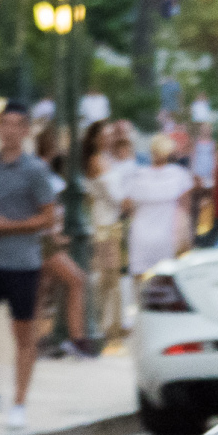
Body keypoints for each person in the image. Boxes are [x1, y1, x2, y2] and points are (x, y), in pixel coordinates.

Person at [0, 108, 59, 430]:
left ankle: (19, 402)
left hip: (23, 264)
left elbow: (48, 217)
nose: (9, 130)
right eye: (4, 124)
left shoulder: (36, 170)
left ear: (27, 131)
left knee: (23, 336)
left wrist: (9, 225)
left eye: (17, 125)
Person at [32, 123, 98, 359]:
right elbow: (43, 208)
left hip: (42, 239)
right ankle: (77, 339)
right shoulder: (40, 170)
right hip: (44, 241)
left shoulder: (42, 169)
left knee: (40, 291)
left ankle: (36, 340)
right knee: (76, 280)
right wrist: (55, 235)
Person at [123, 132, 197, 307]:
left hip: (141, 234)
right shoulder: (179, 175)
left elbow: (126, 206)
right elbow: (185, 207)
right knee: (167, 279)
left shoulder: (138, 176)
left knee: (140, 282)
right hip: (167, 234)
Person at [83, 119, 134, 344]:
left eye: (110, 135)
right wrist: (127, 202)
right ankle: (103, 325)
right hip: (103, 225)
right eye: (105, 135)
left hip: (110, 223)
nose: (109, 139)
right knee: (108, 276)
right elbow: (113, 195)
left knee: (112, 276)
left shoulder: (104, 159)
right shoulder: (96, 161)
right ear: (96, 138)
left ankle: (112, 324)